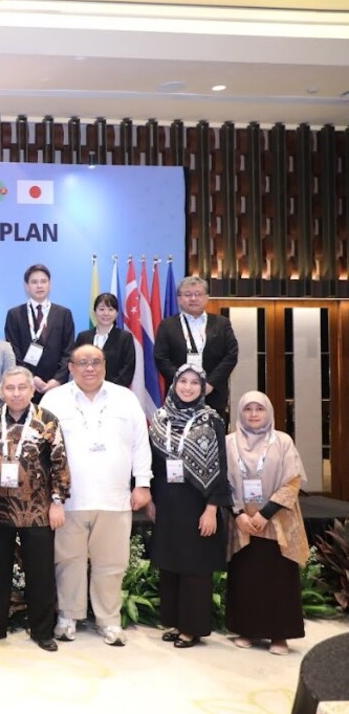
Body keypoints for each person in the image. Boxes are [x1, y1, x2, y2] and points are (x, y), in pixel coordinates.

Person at [40, 344, 151, 647]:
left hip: (114, 497)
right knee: (68, 561)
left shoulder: (125, 398)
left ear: (104, 365)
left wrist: (142, 483)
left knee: (111, 563)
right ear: (71, 368)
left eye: (95, 362)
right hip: (69, 499)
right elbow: (43, 450)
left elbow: (141, 442)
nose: (89, 368)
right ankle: (67, 617)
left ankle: (109, 620)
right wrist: (51, 495)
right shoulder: (53, 399)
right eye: (82, 362)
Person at [0, 366, 70, 652]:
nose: (16, 393)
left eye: (22, 387)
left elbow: (59, 462)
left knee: (40, 574)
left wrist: (58, 501)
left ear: (32, 390)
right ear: (2, 391)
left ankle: (42, 631)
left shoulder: (47, 420)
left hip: (38, 509)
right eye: (10, 388)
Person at [147, 364, 230, 648]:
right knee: (170, 564)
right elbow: (152, 464)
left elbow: (221, 466)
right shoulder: (160, 418)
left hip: (198, 503)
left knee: (195, 566)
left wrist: (212, 508)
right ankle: (174, 622)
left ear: (203, 387)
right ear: (174, 384)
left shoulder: (211, 420)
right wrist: (151, 499)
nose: (188, 387)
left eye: (195, 383)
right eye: (183, 381)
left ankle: (191, 628)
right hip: (167, 502)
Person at [225, 391, 308, 655]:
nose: (253, 414)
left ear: (268, 412)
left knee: (278, 578)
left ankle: (279, 635)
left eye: (259, 409)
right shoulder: (229, 442)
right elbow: (222, 482)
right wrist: (239, 514)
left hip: (276, 521)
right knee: (246, 577)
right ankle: (246, 629)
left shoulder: (282, 441)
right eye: (248, 409)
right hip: (243, 524)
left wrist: (265, 514)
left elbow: (293, 481)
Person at [154, 275, 239, 419]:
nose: (193, 298)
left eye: (198, 294)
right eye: (188, 295)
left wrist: (210, 383)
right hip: (178, 396)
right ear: (179, 299)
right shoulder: (167, 325)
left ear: (207, 297)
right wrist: (182, 383)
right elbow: (161, 358)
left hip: (213, 394)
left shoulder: (221, 323)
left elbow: (231, 356)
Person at [4, 264, 74, 401]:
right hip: (26, 386)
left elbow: (69, 350)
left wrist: (58, 379)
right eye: (34, 282)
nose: (39, 286)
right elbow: (14, 351)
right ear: (26, 286)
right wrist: (30, 377)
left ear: (50, 284)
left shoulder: (63, 313)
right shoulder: (15, 314)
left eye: (43, 281)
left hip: (57, 386)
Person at [71, 292, 134, 388]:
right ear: (94, 312)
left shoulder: (125, 338)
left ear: (117, 313)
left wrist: (109, 389)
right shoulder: (83, 337)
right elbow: (75, 363)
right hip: (84, 389)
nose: (106, 313)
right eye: (101, 309)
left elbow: (128, 368)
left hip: (114, 391)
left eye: (110, 309)